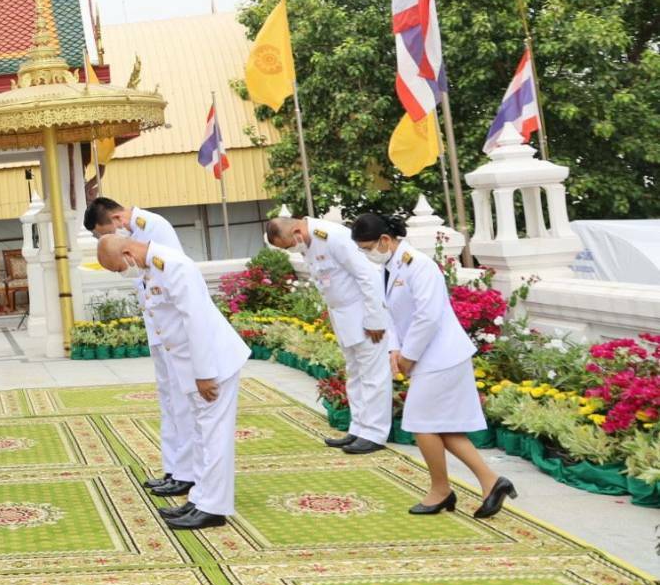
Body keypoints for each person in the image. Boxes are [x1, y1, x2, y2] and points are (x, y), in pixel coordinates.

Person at [350, 213, 516, 517]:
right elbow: (392, 313)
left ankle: (440, 489)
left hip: (441, 355)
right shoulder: (390, 266)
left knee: (419, 422)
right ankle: (492, 482)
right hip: (425, 355)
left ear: (385, 240)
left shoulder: (418, 265)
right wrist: (395, 350)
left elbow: (428, 315)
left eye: (367, 247)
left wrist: (408, 357)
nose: (366, 254)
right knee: (441, 427)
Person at [97, 234, 250, 530]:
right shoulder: (151, 268)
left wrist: (205, 374)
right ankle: (200, 498)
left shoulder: (174, 266)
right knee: (201, 435)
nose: (122, 272)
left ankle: (213, 508)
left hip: (211, 364)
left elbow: (197, 320)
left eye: (118, 267)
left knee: (214, 437)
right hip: (191, 365)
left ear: (128, 252)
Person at [88, 197, 194, 499]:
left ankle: (185, 473)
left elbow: (172, 278)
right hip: (159, 326)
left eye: (103, 233)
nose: (105, 240)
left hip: (172, 327)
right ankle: (174, 469)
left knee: (181, 402)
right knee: (168, 401)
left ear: (117, 220)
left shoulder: (152, 226)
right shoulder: (135, 232)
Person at [266, 216, 393, 454]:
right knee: (354, 373)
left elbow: (367, 275)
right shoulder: (309, 242)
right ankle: (358, 429)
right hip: (343, 316)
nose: (293, 250)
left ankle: (375, 433)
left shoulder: (332, 236)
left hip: (364, 315)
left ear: (295, 231)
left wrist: (375, 319)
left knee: (373, 375)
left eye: (289, 246)